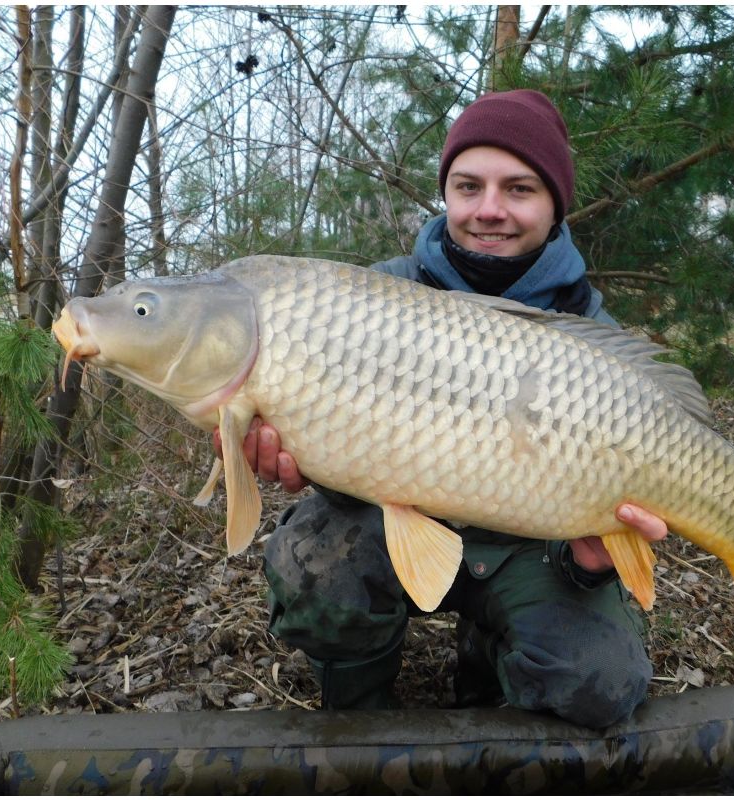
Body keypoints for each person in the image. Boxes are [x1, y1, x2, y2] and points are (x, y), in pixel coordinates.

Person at [220, 90, 669, 729]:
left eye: (519, 189)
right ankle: (357, 721)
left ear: (554, 205)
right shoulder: (371, 297)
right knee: (312, 570)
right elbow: (347, 452)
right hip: (394, 522)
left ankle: (487, 659)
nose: (489, 210)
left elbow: (613, 522)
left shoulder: (594, 335)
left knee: (601, 685)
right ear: (447, 194)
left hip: (532, 547)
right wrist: (298, 457)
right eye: (468, 186)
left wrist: (593, 556)